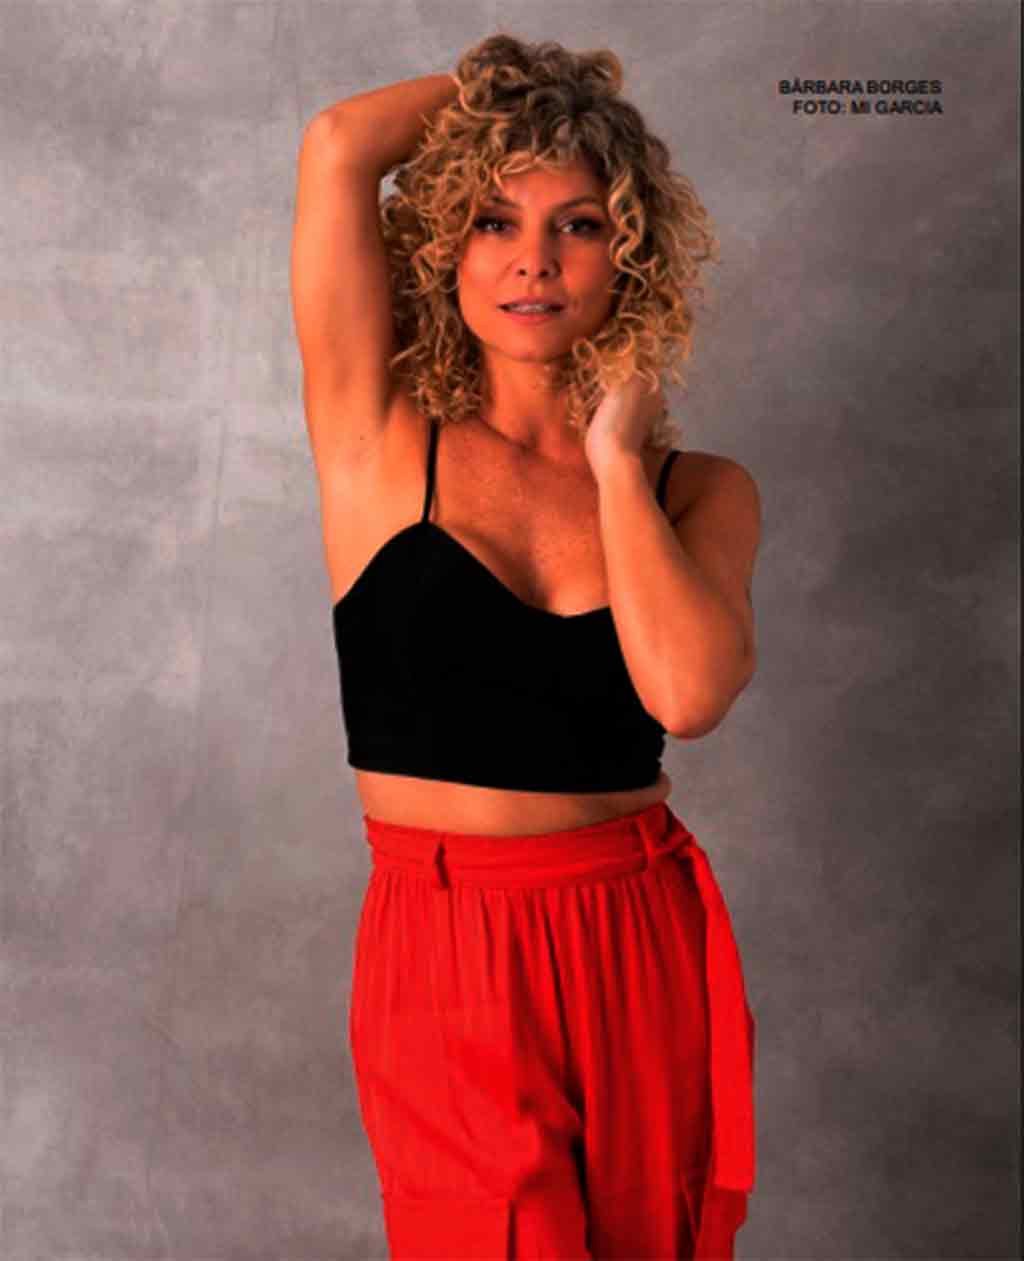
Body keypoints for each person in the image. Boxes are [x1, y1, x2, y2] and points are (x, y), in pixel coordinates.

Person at [290, 32, 761, 1261]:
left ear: (632, 254)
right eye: (494, 221)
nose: (533, 261)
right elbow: (340, 145)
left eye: (580, 225)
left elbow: (687, 695)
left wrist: (614, 463)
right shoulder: (377, 436)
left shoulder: (697, 490)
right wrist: (539, 100)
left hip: (637, 933)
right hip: (447, 947)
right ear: (446, 246)